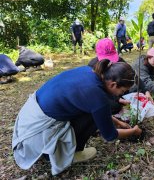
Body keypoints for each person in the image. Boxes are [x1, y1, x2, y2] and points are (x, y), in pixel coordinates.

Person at [12, 60, 142, 176]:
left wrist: (118, 122)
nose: (123, 94)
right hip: (36, 134)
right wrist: (134, 131)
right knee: (91, 118)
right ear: (113, 84)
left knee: (92, 113)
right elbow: (110, 135)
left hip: (29, 117)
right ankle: (70, 153)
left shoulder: (89, 71)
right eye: (123, 91)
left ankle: (59, 148)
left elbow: (97, 109)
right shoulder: (98, 97)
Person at [88, 38, 153, 114]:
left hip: (117, 91)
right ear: (97, 54)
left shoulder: (119, 60)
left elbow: (132, 75)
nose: (110, 62)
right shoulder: (92, 65)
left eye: (112, 58)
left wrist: (146, 91)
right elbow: (95, 91)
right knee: (114, 106)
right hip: (103, 94)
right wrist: (117, 99)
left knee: (128, 98)